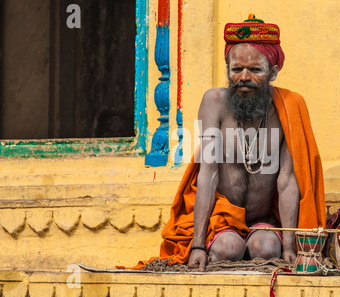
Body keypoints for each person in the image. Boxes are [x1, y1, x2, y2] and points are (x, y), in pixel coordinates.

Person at [117, 14, 326, 272]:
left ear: (273, 72)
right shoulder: (214, 102)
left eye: (255, 70)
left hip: (265, 220)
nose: (244, 77)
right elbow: (208, 173)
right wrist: (197, 246)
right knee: (228, 248)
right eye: (237, 69)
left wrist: (290, 249)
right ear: (227, 68)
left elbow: (287, 181)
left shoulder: (287, 107)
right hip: (223, 220)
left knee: (267, 249)